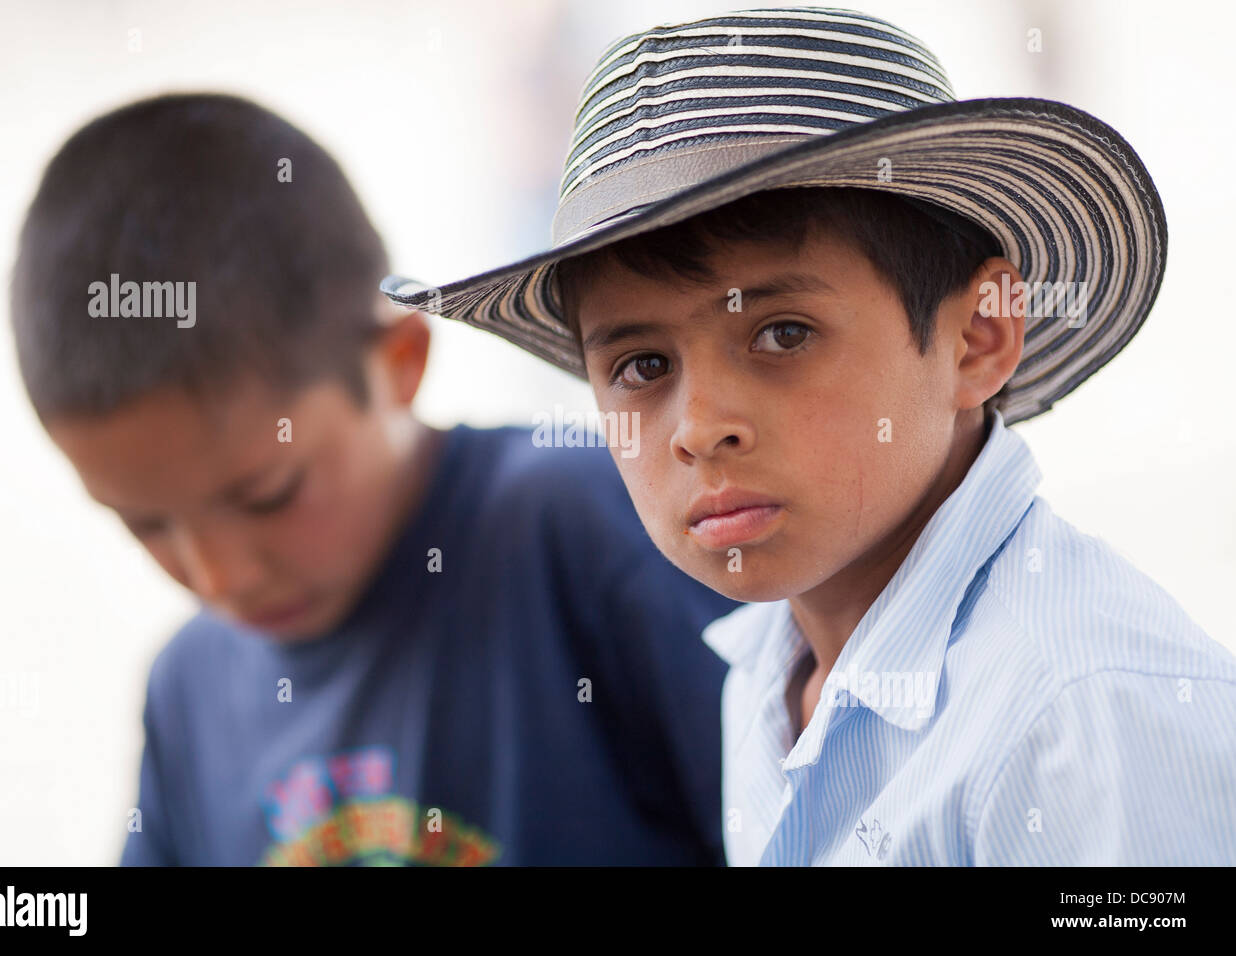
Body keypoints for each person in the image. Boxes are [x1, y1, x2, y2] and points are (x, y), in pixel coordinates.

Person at [381, 6, 1236, 865]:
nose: (701, 430)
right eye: (642, 366)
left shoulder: (1083, 715)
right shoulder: (764, 667)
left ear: (978, 336)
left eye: (782, 334)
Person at [9, 93, 739, 866]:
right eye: (146, 523)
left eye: (269, 495)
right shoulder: (189, 692)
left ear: (399, 364)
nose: (221, 576)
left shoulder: (580, 530)